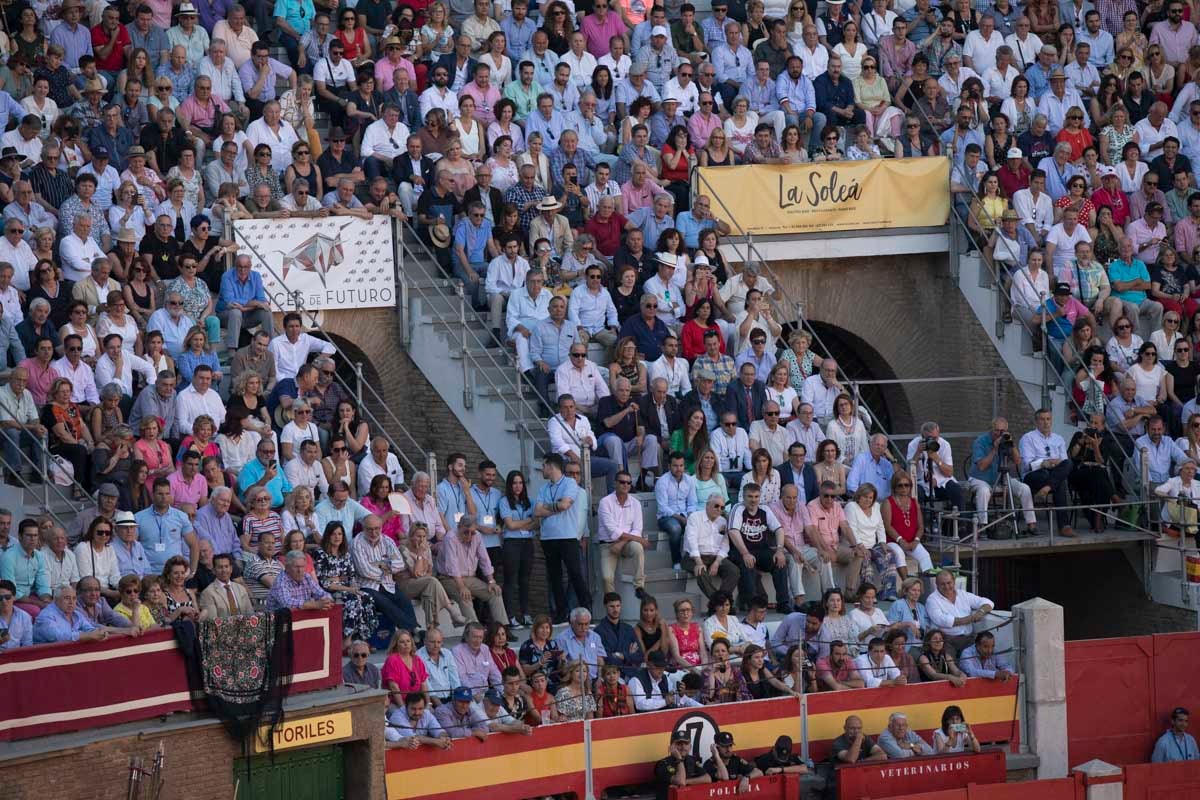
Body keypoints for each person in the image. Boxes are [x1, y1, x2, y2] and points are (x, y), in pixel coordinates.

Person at [968, 416, 1038, 536]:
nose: (999, 434)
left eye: (1002, 431)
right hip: (980, 478)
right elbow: (982, 466)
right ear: (991, 429)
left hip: (1001, 478)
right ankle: (982, 526)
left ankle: (1031, 525)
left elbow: (1017, 461)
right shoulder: (980, 441)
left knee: (1025, 488)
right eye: (997, 431)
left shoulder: (1006, 440)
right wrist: (994, 448)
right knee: (984, 491)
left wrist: (1012, 444)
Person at [1018, 407, 1077, 537]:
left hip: (1053, 474)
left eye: (1048, 419)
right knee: (1056, 479)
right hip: (1034, 475)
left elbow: (1064, 462)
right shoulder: (1028, 438)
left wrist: (1057, 463)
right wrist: (1043, 463)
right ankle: (1064, 526)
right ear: (1036, 422)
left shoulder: (1058, 438)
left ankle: (1047, 488)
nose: (1046, 423)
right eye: (1042, 419)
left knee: (1068, 464)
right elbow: (1026, 465)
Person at [597, 473, 648, 596]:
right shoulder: (605, 502)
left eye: (628, 483)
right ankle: (612, 604)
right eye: (622, 482)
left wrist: (623, 543)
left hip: (626, 544)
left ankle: (639, 587)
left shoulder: (636, 503)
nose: (625, 485)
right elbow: (613, 531)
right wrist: (638, 539)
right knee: (607, 578)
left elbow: (637, 528)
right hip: (608, 545)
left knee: (638, 547)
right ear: (615, 483)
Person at [926, 569, 995, 653]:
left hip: (969, 638)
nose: (947, 587)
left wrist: (980, 612)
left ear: (954, 581)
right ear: (936, 585)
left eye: (949, 583)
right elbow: (942, 620)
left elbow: (988, 602)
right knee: (950, 663)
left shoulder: (963, 594)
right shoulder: (932, 600)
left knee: (981, 656)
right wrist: (971, 618)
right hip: (947, 641)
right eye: (942, 584)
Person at [265, 549, 334, 611]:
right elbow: (287, 604)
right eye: (296, 567)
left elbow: (322, 593)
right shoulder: (280, 581)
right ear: (287, 567)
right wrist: (315, 605)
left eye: (302, 567)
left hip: (300, 618)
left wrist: (326, 601)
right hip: (278, 621)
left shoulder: (306, 577)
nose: (300, 570)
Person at [654, 729, 711, 800]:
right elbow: (681, 782)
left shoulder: (691, 760)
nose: (683, 747)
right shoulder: (662, 764)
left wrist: (687, 781)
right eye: (679, 744)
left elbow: (707, 778)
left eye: (686, 744)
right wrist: (679, 758)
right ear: (672, 746)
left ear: (690, 746)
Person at [197, 552, 252, 617]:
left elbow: (250, 613)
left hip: (244, 625)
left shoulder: (241, 588)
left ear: (231, 569)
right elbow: (212, 621)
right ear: (214, 571)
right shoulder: (208, 593)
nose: (224, 570)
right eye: (220, 567)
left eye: (226, 566)